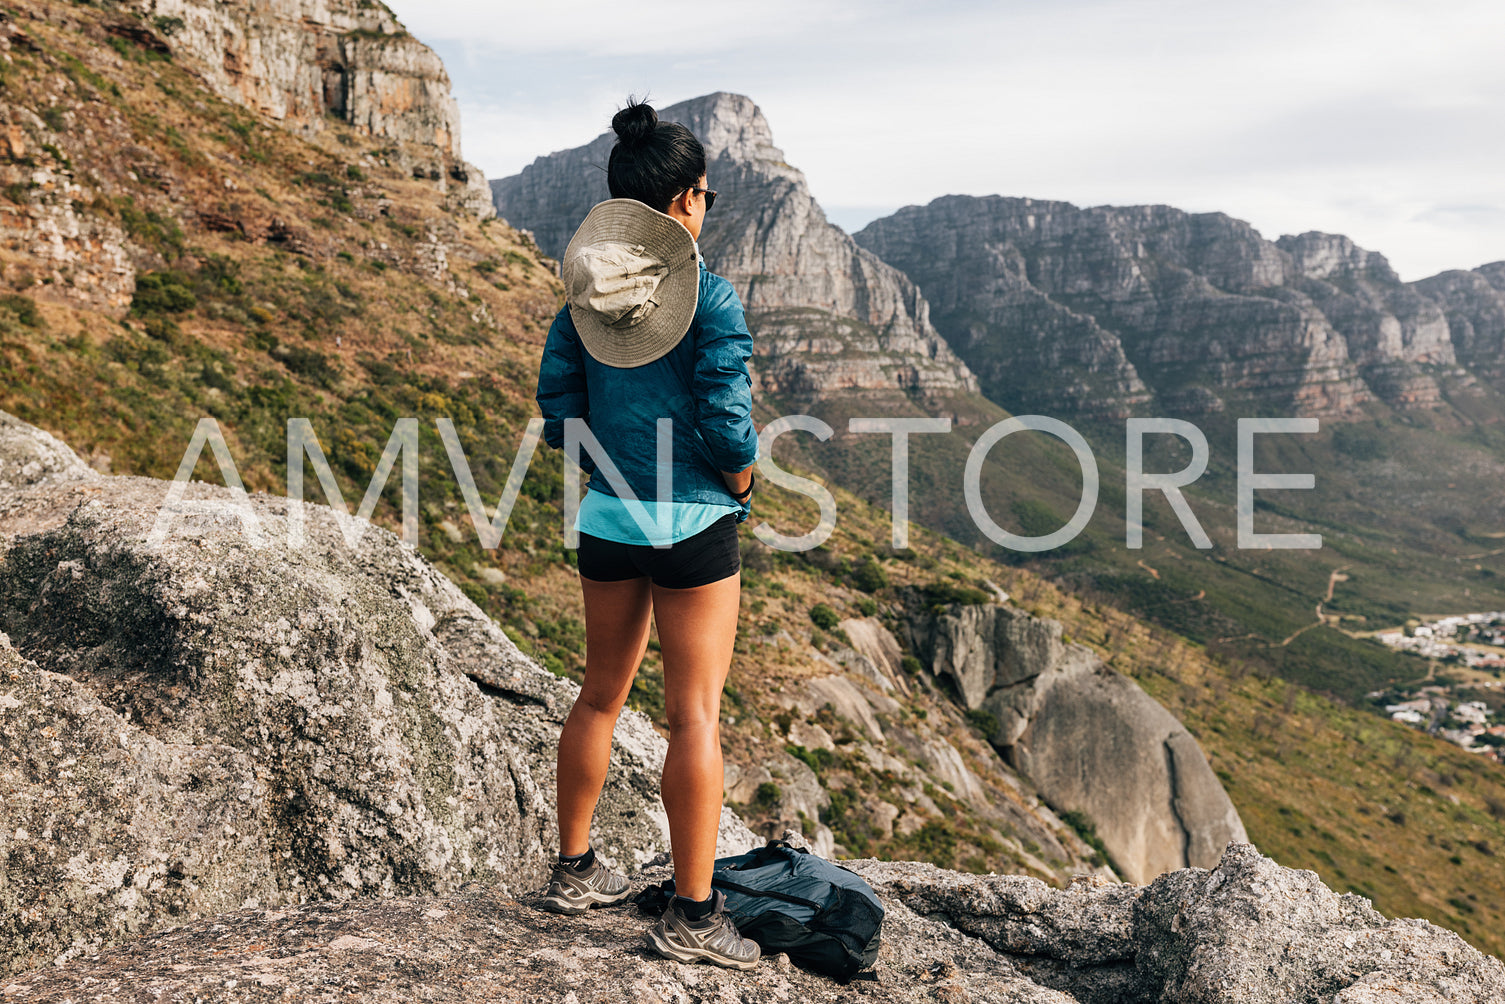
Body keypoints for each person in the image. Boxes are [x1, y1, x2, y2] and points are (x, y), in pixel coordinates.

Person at [534, 98, 761, 971]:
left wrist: (607, 467)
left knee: (598, 695)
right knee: (691, 715)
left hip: (608, 519)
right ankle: (693, 919)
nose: (707, 206)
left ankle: (572, 870)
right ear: (685, 203)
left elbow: (560, 412)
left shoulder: (583, 301)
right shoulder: (707, 293)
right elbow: (727, 417)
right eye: (705, 194)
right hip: (696, 519)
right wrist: (739, 480)